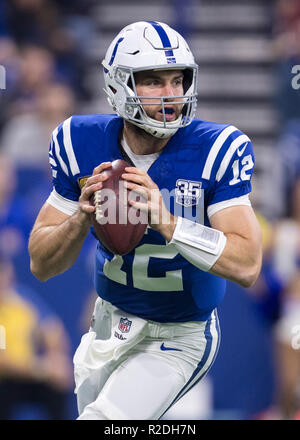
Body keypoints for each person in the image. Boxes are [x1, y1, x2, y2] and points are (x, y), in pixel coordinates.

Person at [28, 21, 262, 420]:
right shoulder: (78, 141)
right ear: (119, 85)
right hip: (108, 324)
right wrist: (80, 218)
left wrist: (167, 221)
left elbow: (248, 264)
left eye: (178, 80)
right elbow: (41, 264)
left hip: (179, 334)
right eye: (153, 81)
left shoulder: (217, 148)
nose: (171, 95)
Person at [0, 256, 73, 419]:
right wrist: (43, 369)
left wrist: (56, 358)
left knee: (57, 386)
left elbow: (53, 331)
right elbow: (3, 361)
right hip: (6, 381)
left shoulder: (21, 301)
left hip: (27, 376)